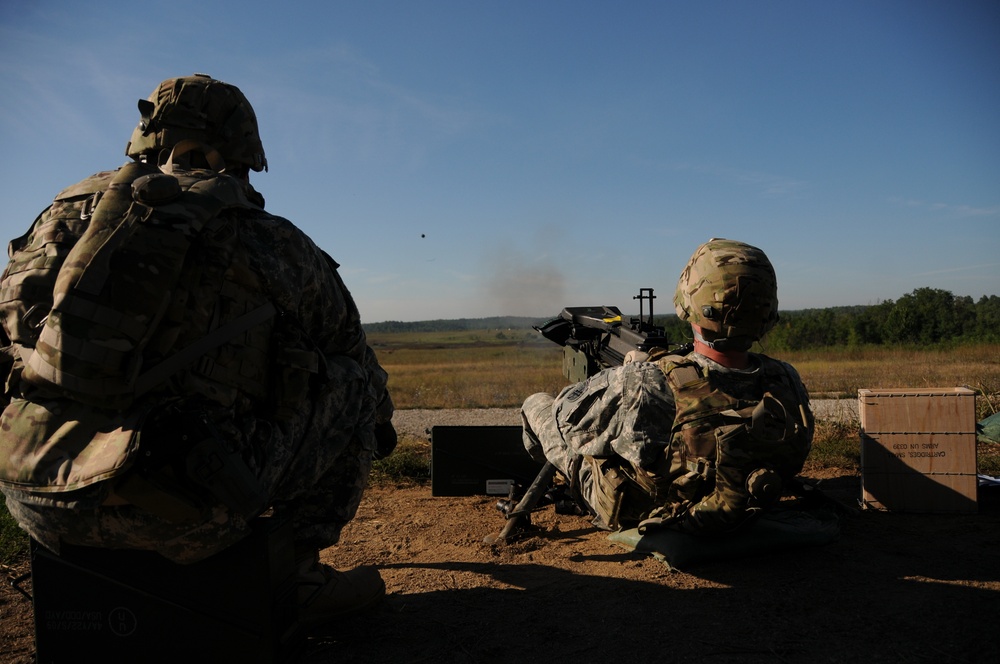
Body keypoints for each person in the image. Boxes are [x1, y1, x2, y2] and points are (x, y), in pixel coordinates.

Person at [0, 74, 395, 625]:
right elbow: (349, 346)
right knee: (354, 381)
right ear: (228, 151)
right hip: (187, 511)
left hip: (36, 498)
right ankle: (298, 577)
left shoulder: (53, 219)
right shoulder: (265, 235)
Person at [521, 238, 814, 536]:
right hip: (750, 501)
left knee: (539, 404)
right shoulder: (786, 379)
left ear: (692, 301)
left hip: (648, 511)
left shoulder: (647, 381)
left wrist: (627, 374)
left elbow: (565, 419)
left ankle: (548, 493)